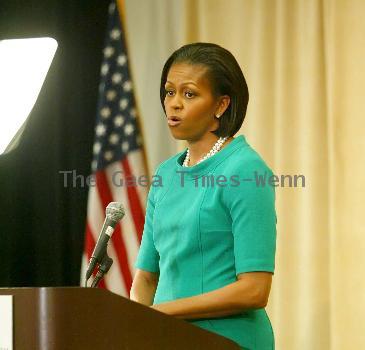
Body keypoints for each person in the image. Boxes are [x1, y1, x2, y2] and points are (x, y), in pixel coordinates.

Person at [130, 42, 277, 350]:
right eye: (170, 92)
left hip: (227, 340)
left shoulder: (246, 170)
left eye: (189, 93)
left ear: (221, 105)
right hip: (167, 338)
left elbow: (254, 290)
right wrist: (140, 326)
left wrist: (159, 314)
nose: (174, 104)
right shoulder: (165, 175)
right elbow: (146, 278)